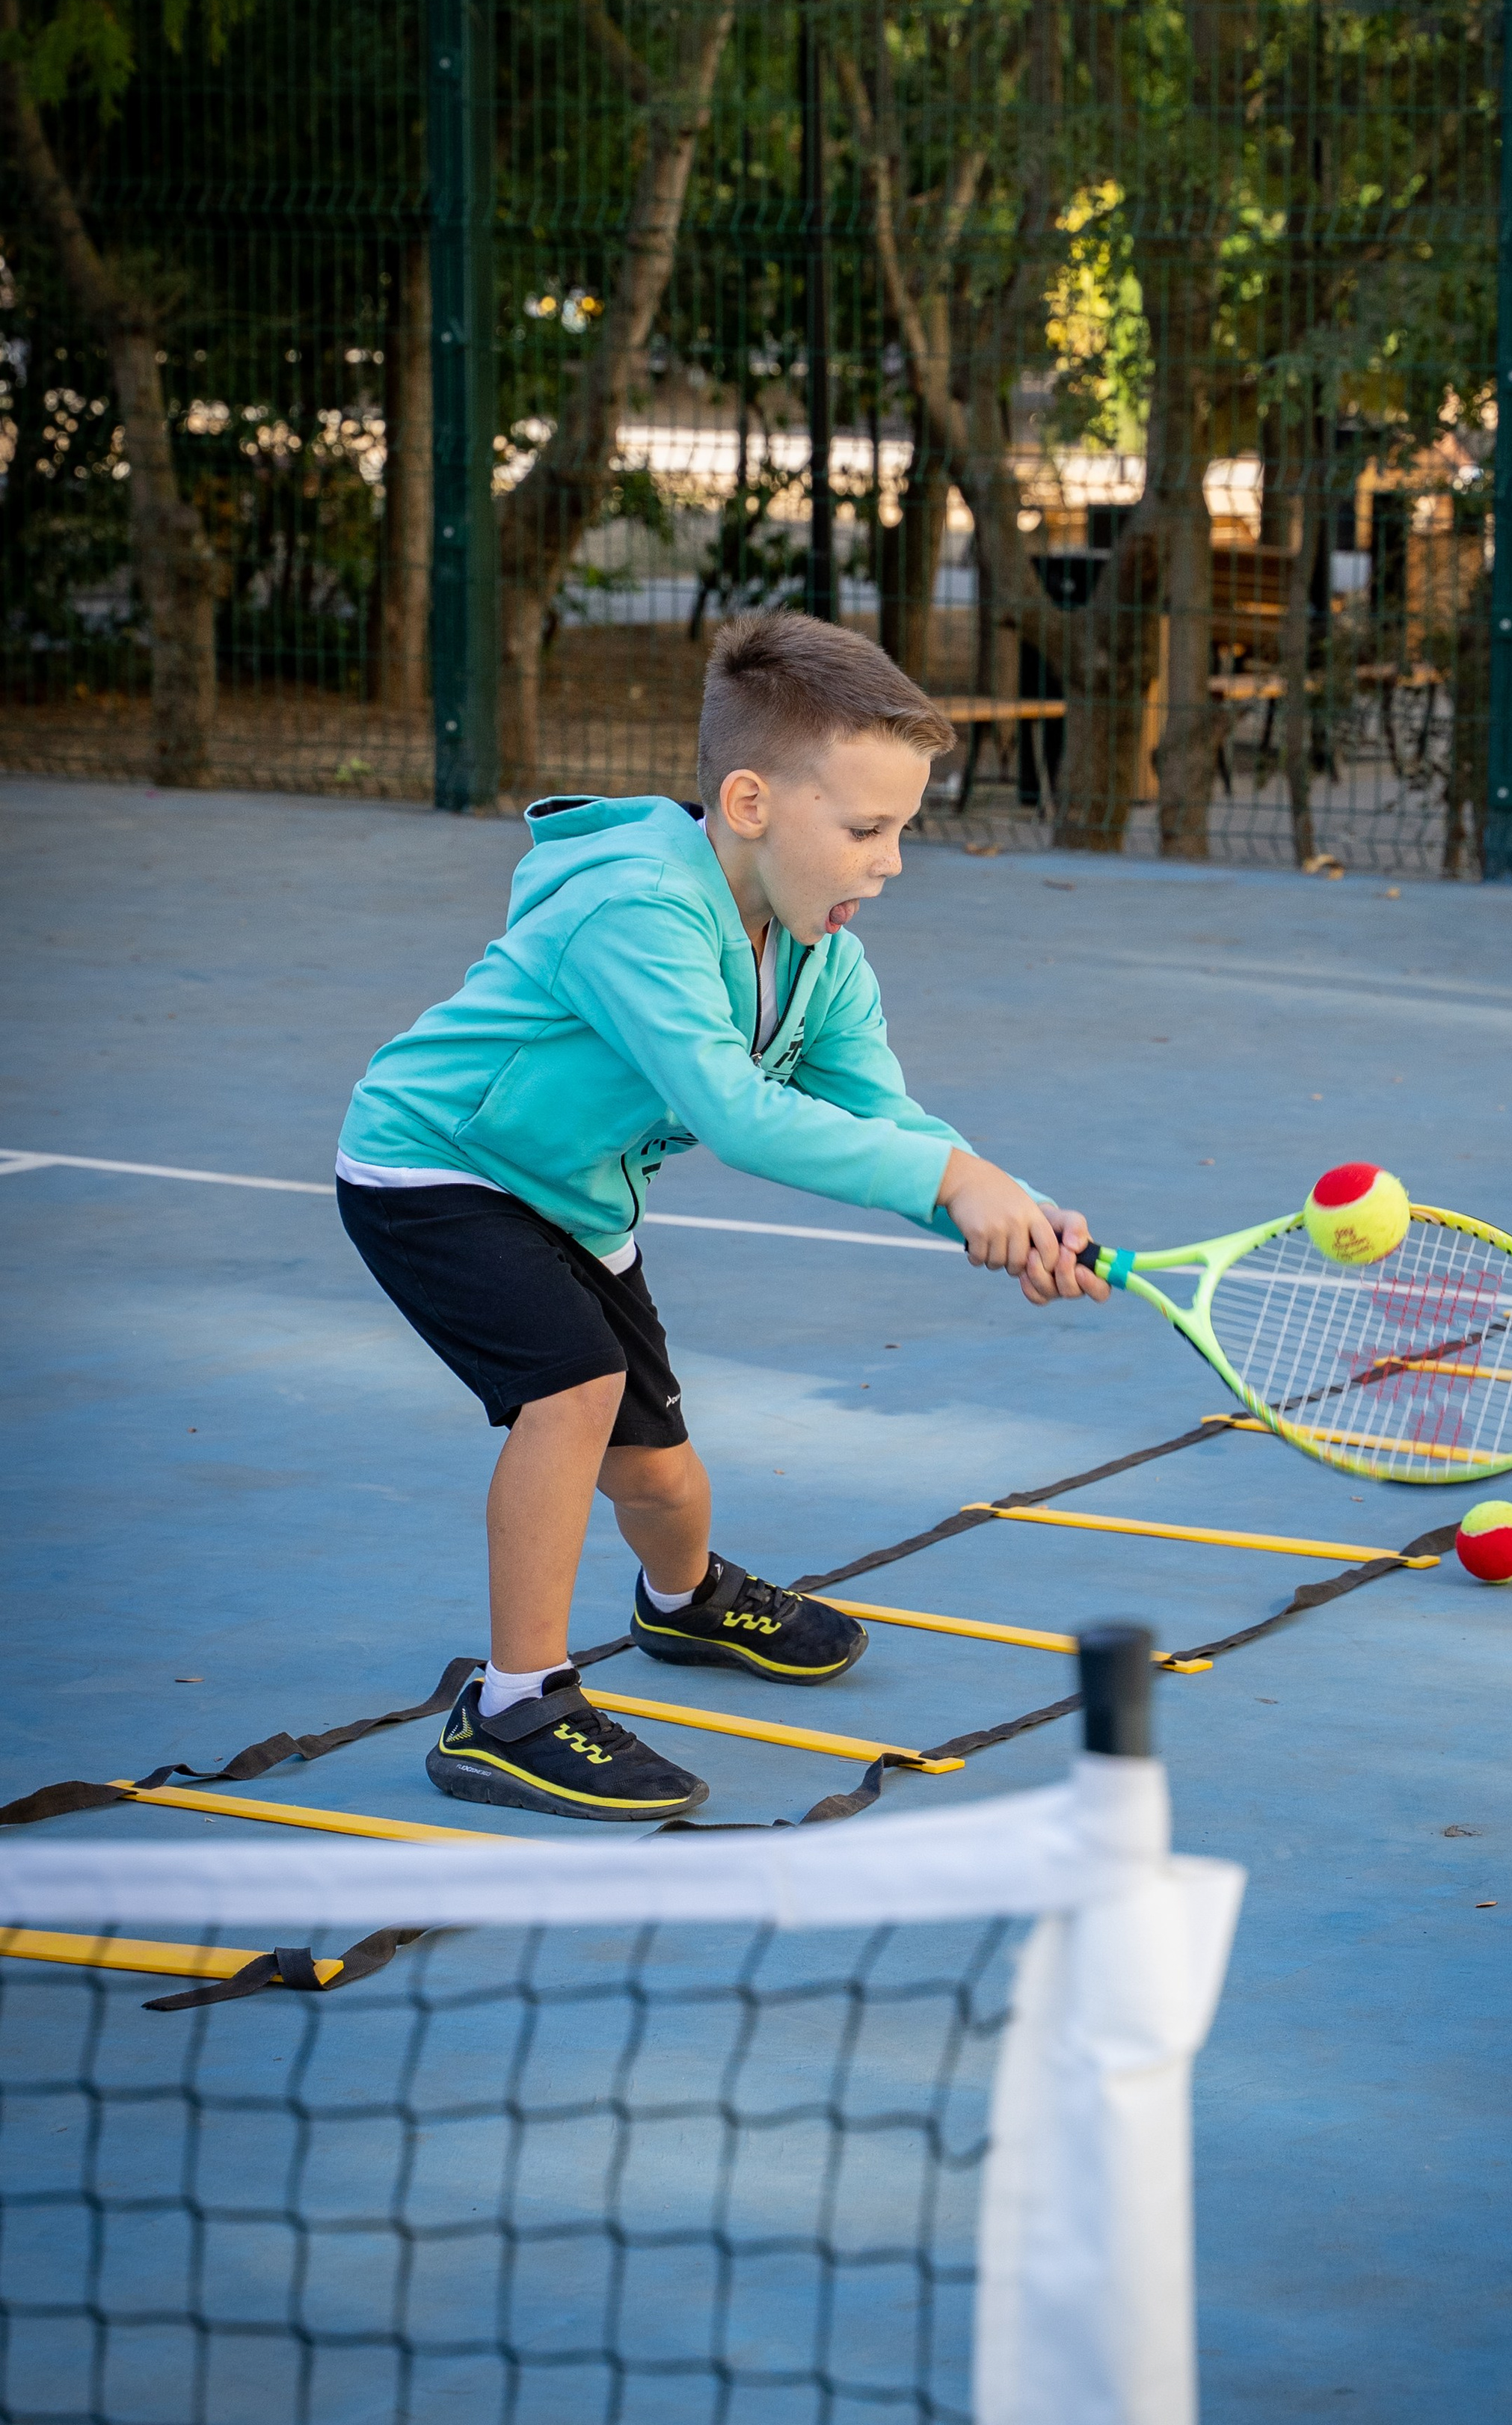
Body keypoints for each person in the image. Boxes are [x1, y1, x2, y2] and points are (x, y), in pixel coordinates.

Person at [335, 611, 1105, 1821]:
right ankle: (512, 1707)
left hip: (579, 1198)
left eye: (902, 830)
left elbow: (888, 1117)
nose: (892, 860)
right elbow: (736, 1115)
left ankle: (683, 1600)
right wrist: (955, 1184)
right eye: (865, 828)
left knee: (663, 1477)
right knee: (573, 1391)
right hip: (435, 1168)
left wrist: (1004, 1204)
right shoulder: (637, 910)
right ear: (750, 801)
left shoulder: (822, 958)